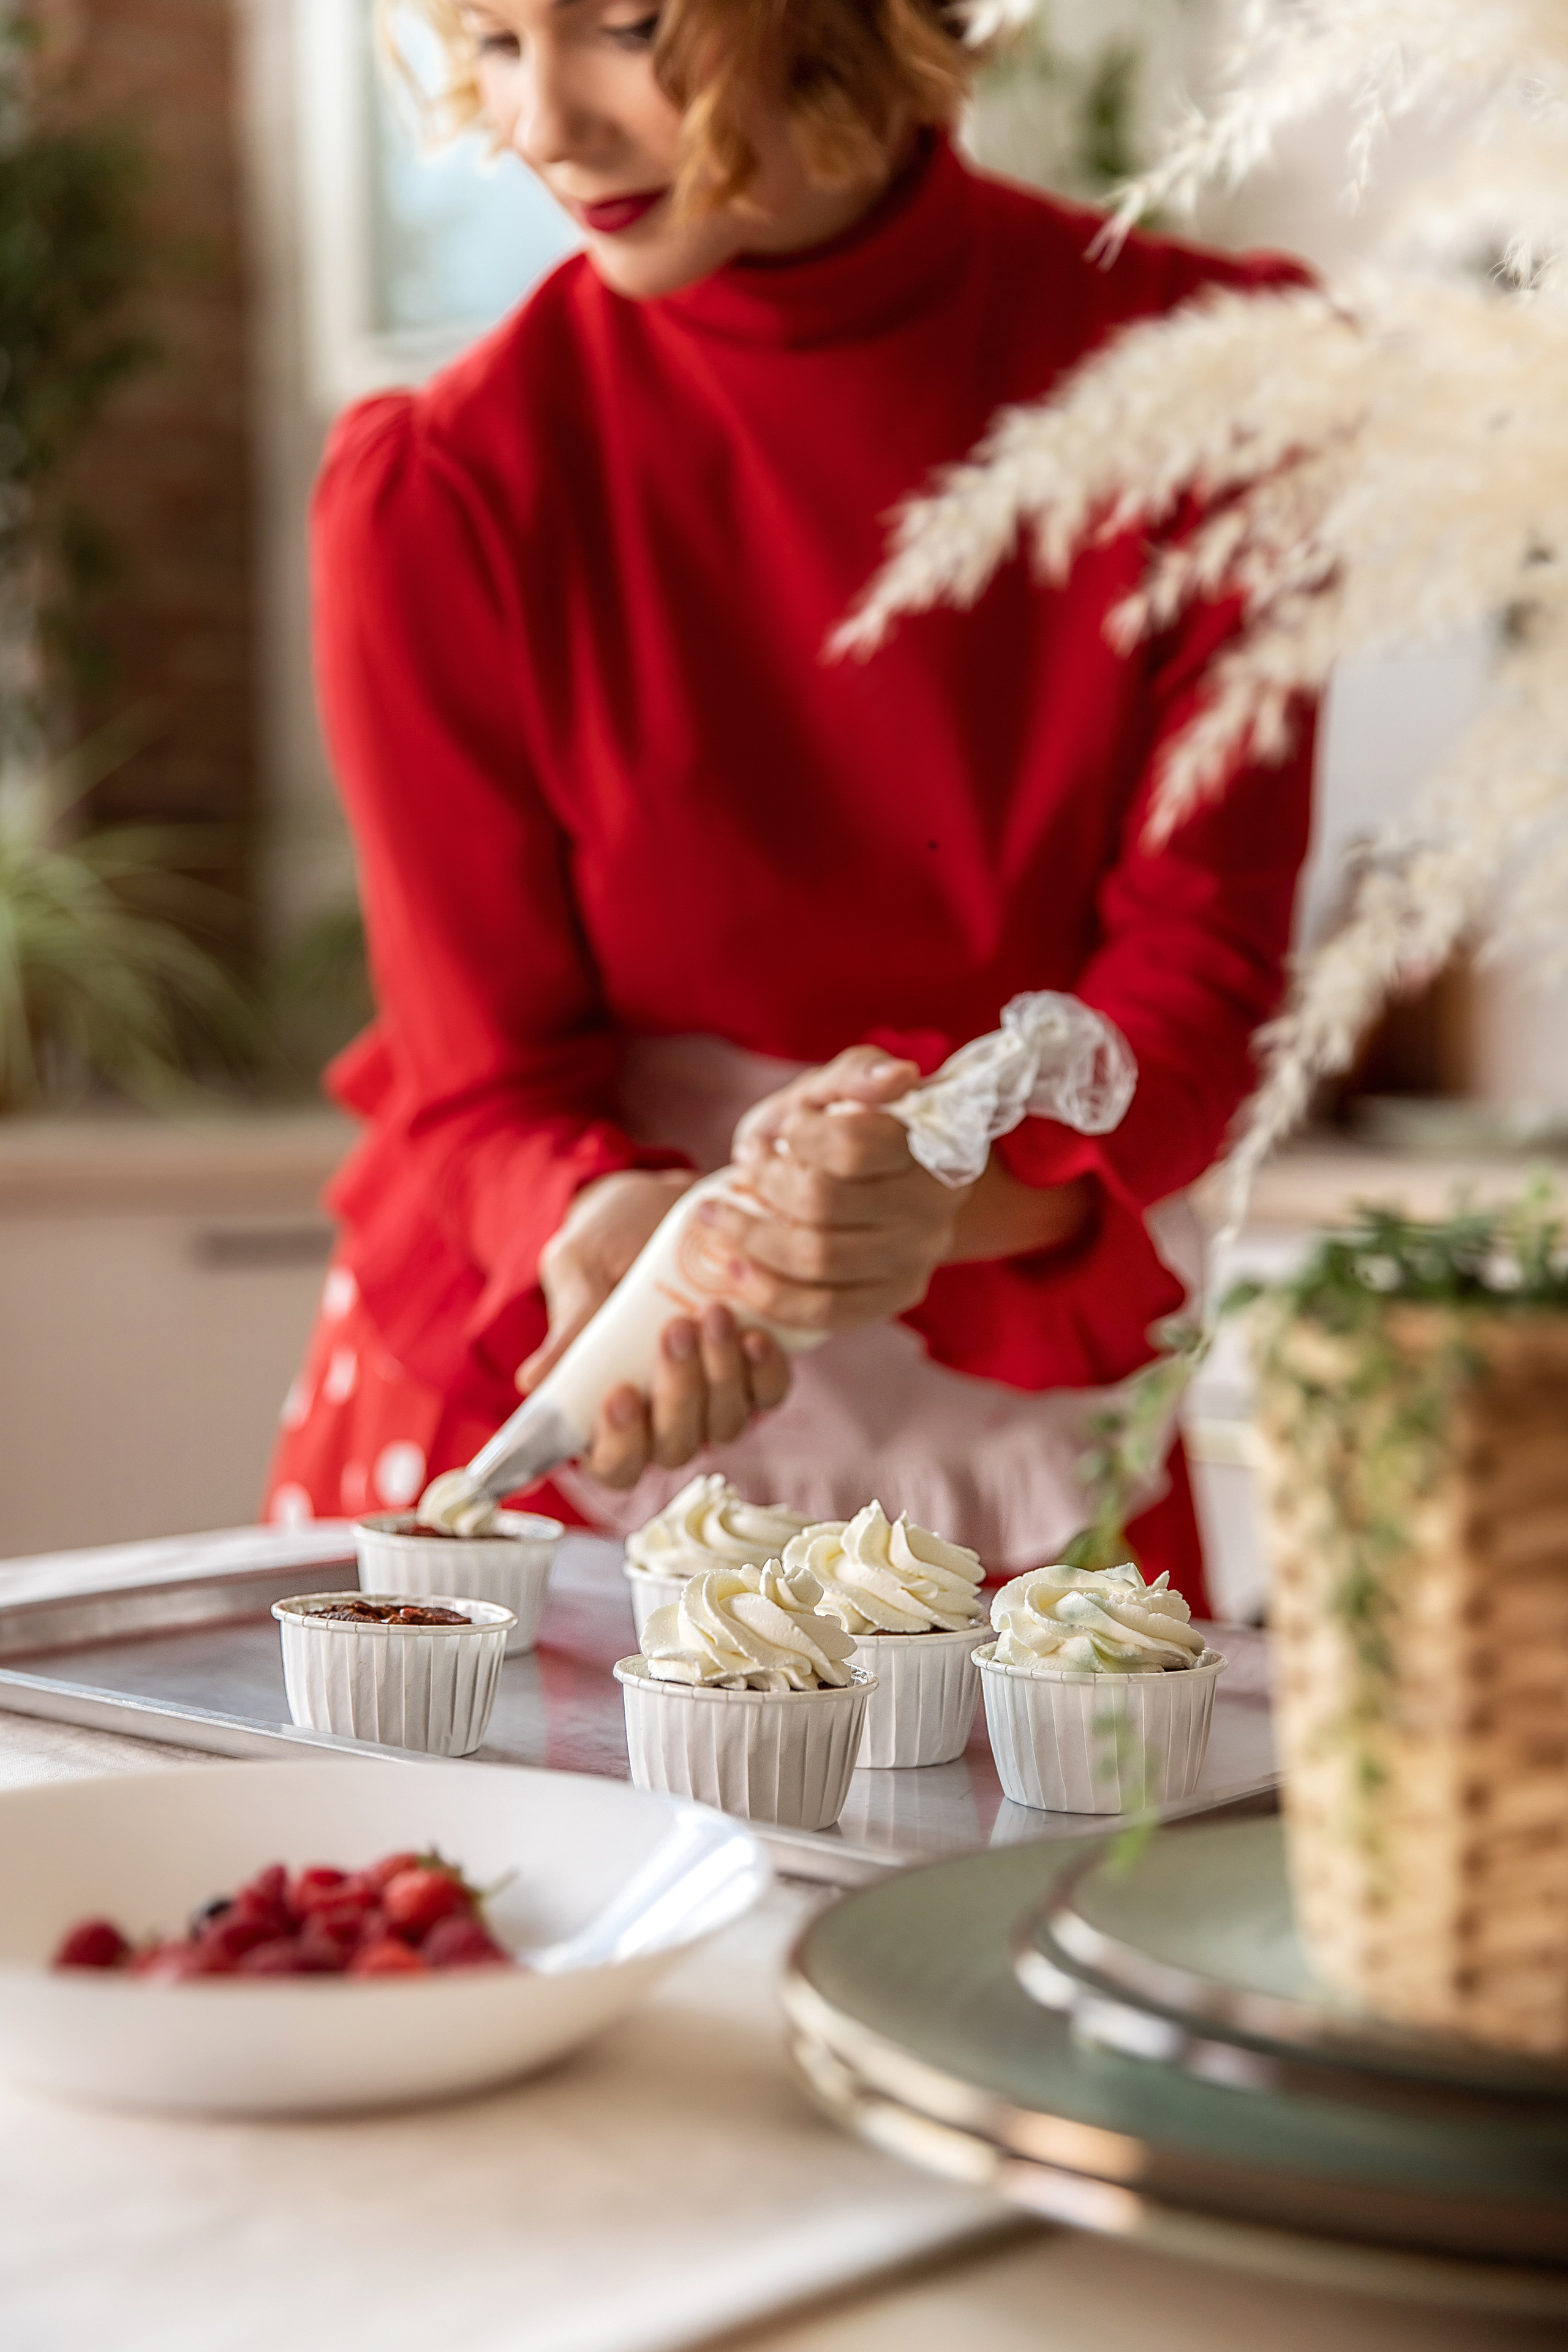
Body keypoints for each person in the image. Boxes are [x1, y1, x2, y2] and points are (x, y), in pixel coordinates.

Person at [264, 0, 1315, 1608]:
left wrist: (946, 1196)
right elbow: (477, 1078)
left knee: (1059, 1871)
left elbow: (1202, 985)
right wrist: (606, 1208)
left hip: (1019, 1360)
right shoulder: (441, 483)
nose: (544, 121)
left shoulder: (1229, 401)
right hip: (553, 1373)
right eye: (488, 38)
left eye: (623, 24)